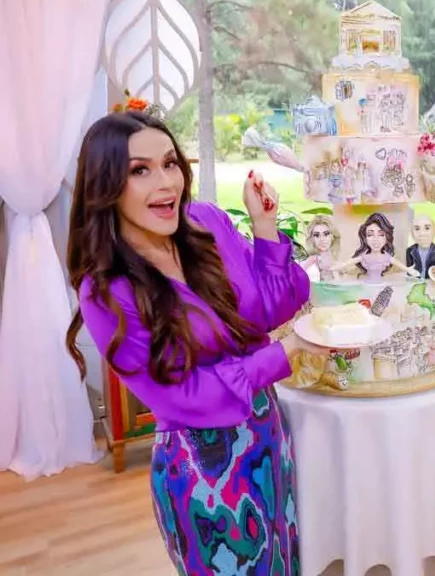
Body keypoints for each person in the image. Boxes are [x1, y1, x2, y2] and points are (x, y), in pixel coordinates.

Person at [65, 111, 331, 575]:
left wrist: (265, 229)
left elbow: (270, 310)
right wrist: (285, 353)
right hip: (204, 469)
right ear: (106, 186)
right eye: (140, 170)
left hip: (268, 438)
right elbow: (182, 394)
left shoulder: (205, 222)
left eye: (170, 163)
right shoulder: (106, 291)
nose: (166, 182)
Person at [333, 211, 419, 282]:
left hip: (381, 283)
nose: (375, 239)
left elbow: (398, 264)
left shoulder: (386, 257)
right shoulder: (365, 257)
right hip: (366, 283)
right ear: (365, 237)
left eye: (381, 235)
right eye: (370, 235)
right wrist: (339, 266)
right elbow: (349, 263)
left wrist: (409, 270)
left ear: (387, 237)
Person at [406, 213, 435, 278]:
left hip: (431, 281)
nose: (422, 233)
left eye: (427, 228)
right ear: (412, 233)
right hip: (415, 281)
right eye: (417, 229)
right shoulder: (410, 250)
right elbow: (409, 272)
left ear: (434, 231)